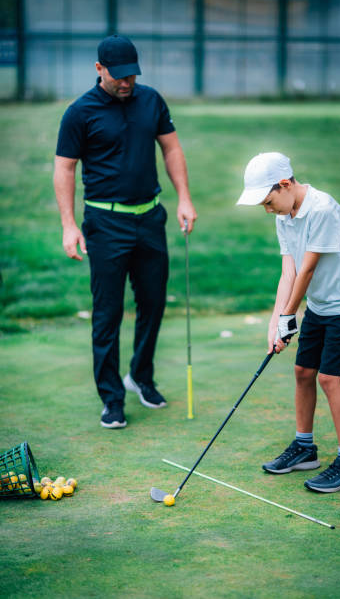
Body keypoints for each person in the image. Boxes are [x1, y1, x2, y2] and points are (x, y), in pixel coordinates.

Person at [54, 35, 197, 429]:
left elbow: (170, 148)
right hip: (105, 223)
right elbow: (65, 168)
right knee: (108, 312)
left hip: (150, 218)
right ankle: (111, 397)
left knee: (153, 302)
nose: (126, 82)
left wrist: (184, 197)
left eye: (131, 74)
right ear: (99, 69)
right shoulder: (79, 113)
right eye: (118, 76)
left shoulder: (151, 100)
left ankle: (141, 377)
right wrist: (68, 225)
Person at [237, 152, 340, 493]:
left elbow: (308, 270)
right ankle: (305, 447)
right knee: (302, 372)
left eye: (268, 202)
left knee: (329, 378)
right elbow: (289, 272)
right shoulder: (285, 214)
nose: (268, 210)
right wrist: (275, 322)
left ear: (285, 185)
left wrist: (289, 316)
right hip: (320, 303)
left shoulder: (322, 210)